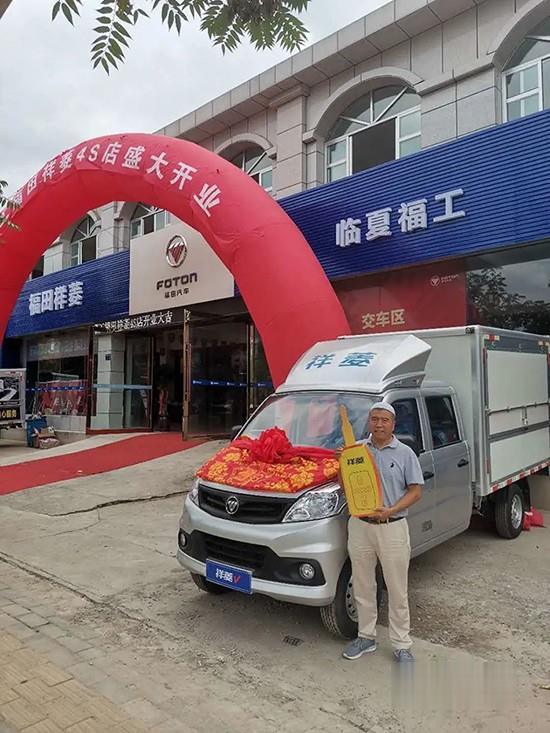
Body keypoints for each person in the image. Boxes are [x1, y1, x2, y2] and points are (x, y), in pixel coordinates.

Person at [342, 401, 423, 663]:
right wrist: (343, 463)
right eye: (374, 419)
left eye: (384, 420)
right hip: (360, 525)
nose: (379, 424)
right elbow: (346, 486)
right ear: (369, 422)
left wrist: (391, 509)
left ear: (393, 424)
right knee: (363, 584)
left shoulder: (405, 453)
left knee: (397, 588)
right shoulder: (356, 450)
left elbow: (415, 491)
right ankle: (366, 637)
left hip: (392, 527)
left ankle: (401, 644)